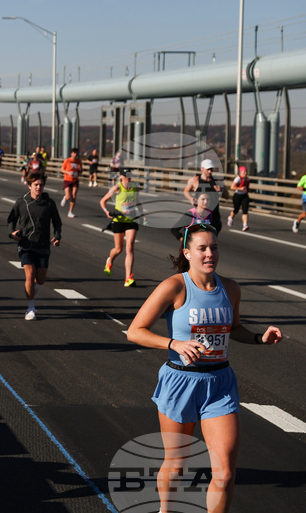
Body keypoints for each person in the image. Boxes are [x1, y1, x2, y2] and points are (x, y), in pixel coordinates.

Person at [126, 224, 282, 513]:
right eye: (202, 248)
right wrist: (174, 343)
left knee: (224, 473)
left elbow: (233, 328)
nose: (210, 253)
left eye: (215, 247)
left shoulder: (231, 288)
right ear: (187, 252)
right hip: (180, 382)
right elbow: (135, 331)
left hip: (219, 383)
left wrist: (260, 339)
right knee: (176, 464)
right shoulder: (174, 286)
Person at [7, 172, 62, 321]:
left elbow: (57, 222)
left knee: (41, 280)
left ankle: (33, 287)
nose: (38, 187)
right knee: (30, 276)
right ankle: (30, 308)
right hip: (26, 245)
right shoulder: (21, 202)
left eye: (41, 185)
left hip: (43, 245)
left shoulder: (49, 203)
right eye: (36, 185)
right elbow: (11, 219)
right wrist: (12, 234)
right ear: (29, 185)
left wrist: (57, 236)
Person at [100, 169, 140, 287]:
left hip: (131, 220)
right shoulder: (117, 188)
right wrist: (106, 211)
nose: (129, 178)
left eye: (130, 176)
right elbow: (103, 201)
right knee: (118, 249)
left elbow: (138, 202)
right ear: (121, 177)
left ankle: (128, 277)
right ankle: (110, 260)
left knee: (130, 247)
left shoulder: (134, 188)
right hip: (119, 221)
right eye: (126, 176)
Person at [183, 159, 227, 232]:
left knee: (212, 239)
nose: (210, 171)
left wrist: (221, 190)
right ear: (202, 168)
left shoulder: (218, 181)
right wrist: (190, 198)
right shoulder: (195, 180)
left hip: (214, 215)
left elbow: (227, 196)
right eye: (208, 169)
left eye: (211, 169)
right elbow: (186, 191)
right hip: (200, 215)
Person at [227, 166, 250, 231]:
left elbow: (247, 186)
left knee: (245, 210)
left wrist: (248, 189)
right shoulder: (238, 179)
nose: (245, 173)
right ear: (241, 172)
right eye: (244, 172)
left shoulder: (248, 179)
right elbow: (232, 187)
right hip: (237, 196)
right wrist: (240, 188)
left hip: (245, 196)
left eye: (246, 172)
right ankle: (230, 218)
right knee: (236, 209)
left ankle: (245, 225)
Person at [60, 148, 81, 218]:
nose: (75, 154)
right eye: (74, 153)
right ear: (71, 154)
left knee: (74, 196)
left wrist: (80, 170)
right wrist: (68, 172)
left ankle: (70, 212)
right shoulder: (67, 160)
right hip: (67, 179)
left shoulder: (79, 161)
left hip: (75, 180)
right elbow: (62, 169)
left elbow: (80, 171)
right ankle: (65, 197)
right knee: (69, 196)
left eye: (76, 153)